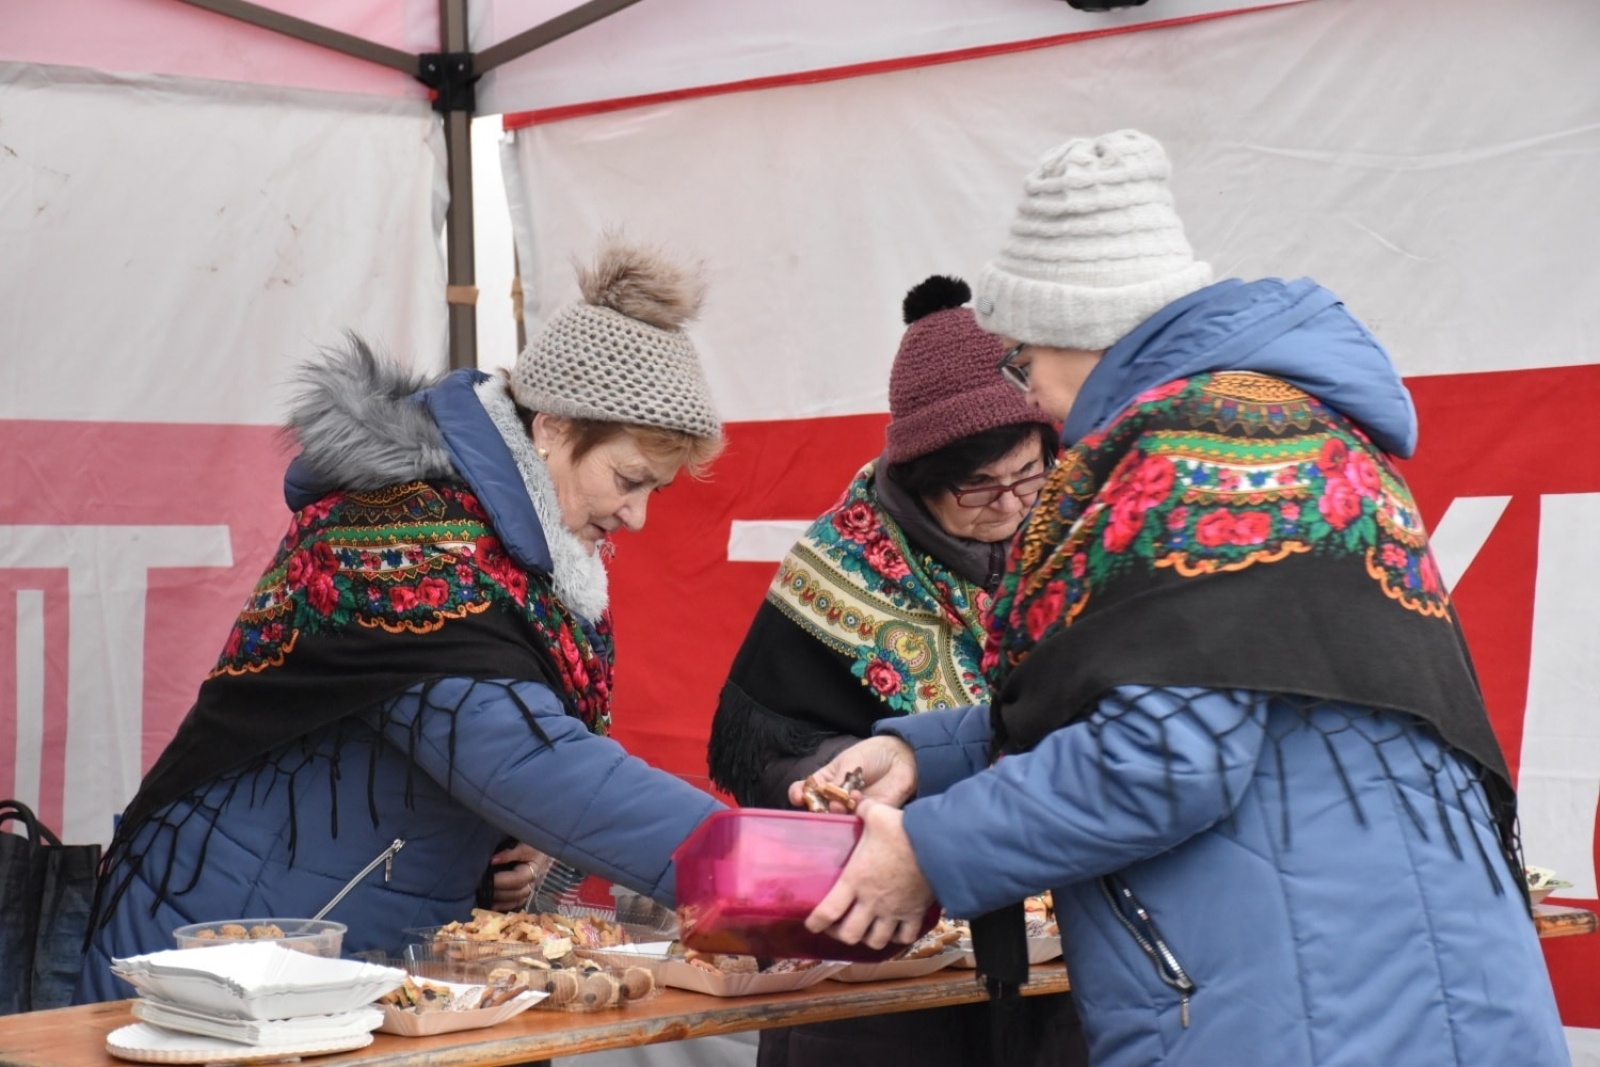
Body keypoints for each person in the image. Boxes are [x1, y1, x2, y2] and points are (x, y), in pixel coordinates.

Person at [791, 130, 1570, 1066]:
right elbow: (1200, 689)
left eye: (1023, 356)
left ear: (1080, 328)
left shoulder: (1196, 455)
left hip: (1314, 1004)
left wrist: (928, 849)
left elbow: (1163, 758)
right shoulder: (1273, 430)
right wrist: (919, 753)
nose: (1028, 390)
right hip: (1373, 972)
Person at [76, 239, 729, 1002]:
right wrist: (764, 862)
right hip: (222, 961)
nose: (639, 516)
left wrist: (508, 848)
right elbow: (526, 759)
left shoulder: (502, 552)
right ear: (551, 425)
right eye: (628, 479)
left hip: (329, 960)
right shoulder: (403, 535)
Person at [707, 275, 1086, 1066]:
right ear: (915, 478)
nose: (1012, 505)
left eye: (1028, 472)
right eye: (978, 487)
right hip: (877, 963)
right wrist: (830, 781)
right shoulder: (836, 566)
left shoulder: (1072, 545)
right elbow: (759, 744)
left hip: (1054, 954)